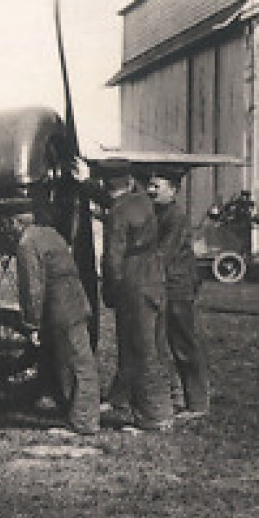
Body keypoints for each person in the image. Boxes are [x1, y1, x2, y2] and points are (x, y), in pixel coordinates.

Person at [0, 197, 101, 437]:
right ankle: (75, 414)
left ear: (14, 222)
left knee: (77, 364)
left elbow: (32, 288)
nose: (4, 228)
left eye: (5, 224)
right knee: (72, 361)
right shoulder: (49, 234)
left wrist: (31, 325)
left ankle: (84, 422)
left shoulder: (26, 244)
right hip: (77, 301)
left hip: (61, 309)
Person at [98, 165, 174, 432]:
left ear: (107, 186)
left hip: (133, 280)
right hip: (154, 274)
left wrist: (111, 290)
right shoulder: (143, 201)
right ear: (129, 181)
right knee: (155, 342)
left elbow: (113, 259)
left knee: (138, 345)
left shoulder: (117, 213)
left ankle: (153, 416)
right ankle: (165, 403)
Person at [147, 168, 209, 418]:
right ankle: (176, 397)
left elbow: (163, 254)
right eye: (150, 186)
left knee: (183, 344)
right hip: (166, 285)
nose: (151, 191)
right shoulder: (159, 213)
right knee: (165, 344)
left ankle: (197, 403)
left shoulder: (175, 218)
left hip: (178, 288)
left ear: (173, 191)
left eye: (156, 186)